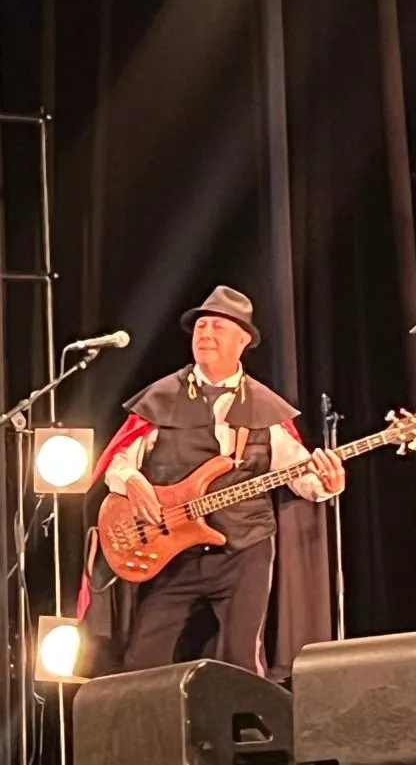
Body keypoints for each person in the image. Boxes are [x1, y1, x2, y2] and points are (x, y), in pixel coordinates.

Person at [78, 286, 345, 677]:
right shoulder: (162, 396)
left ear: (243, 341)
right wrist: (132, 480)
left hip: (244, 551)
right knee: (143, 659)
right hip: (173, 552)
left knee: (241, 660)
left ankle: (247, 735)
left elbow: (303, 476)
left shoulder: (265, 406)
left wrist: (328, 482)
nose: (205, 334)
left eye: (218, 327)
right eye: (201, 326)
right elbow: (119, 460)